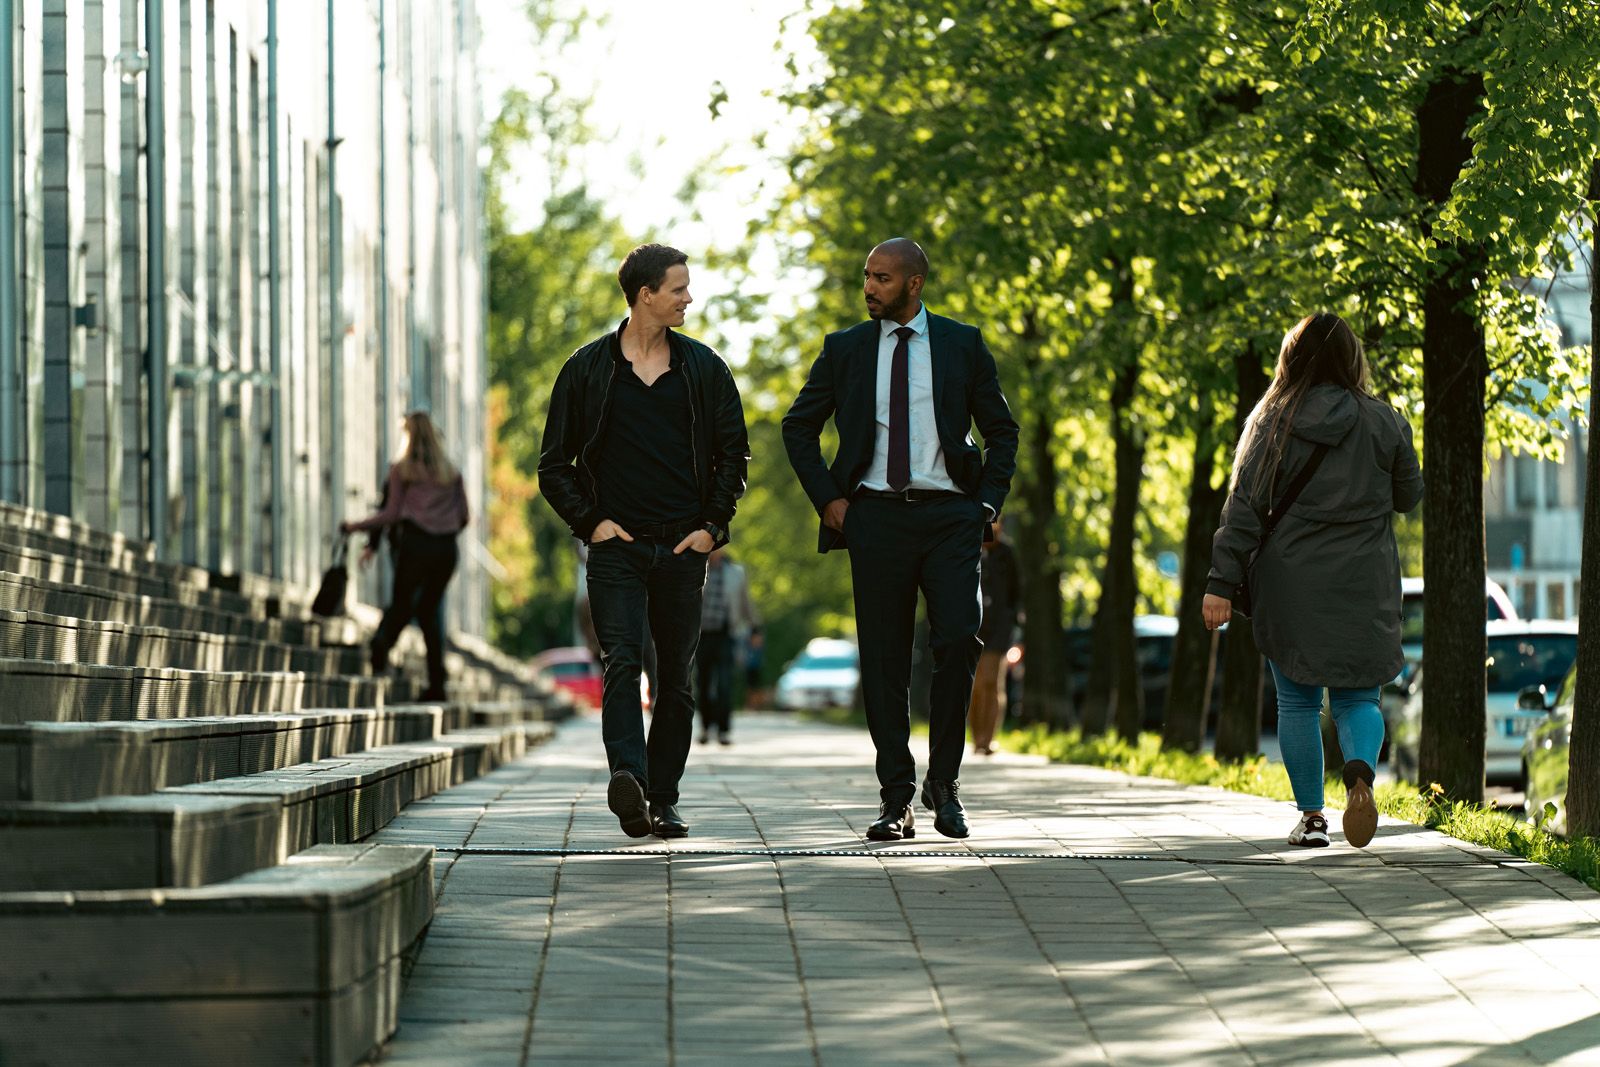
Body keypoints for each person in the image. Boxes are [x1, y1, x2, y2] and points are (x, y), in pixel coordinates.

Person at [782, 238, 1018, 841]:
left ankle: (946, 782)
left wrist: (984, 506)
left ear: (914, 284)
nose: (869, 288)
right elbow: (798, 425)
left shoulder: (962, 344)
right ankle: (895, 797)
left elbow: (1001, 431)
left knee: (961, 641)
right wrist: (831, 502)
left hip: (949, 519)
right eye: (867, 276)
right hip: (875, 519)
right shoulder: (846, 350)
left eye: (881, 278)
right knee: (884, 659)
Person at [538, 243, 750, 840]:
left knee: (677, 679)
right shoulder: (586, 369)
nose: (689, 297)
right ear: (644, 295)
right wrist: (592, 524)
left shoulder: (704, 369)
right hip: (616, 549)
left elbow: (734, 454)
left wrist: (711, 527)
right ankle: (628, 778)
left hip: (683, 549)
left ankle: (664, 798)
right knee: (622, 663)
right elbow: (553, 465)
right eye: (679, 288)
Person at [1203, 312, 1423, 850]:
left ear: (1292, 358)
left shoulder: (1272, 421)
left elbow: (1246, 510)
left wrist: (1219, 582)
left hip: (1291, 585)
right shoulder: (1386, 421)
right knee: (1358, 699)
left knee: (1298, 703)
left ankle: (1312, 819)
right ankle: (1360, 779)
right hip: (1365, 584)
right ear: (1352, 360)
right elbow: (1409, 496)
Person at [341, 410, 471, 701]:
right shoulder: (451, 472)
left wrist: (354, 527)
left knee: (402, 604)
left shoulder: (402, 470)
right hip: (446, 551)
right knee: (429, 611)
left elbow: (390, 512)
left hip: (415, 546)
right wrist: (442, 524)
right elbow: (465, 516)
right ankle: (437, 683)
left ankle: (381, 645)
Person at [697, 549, 760, 745]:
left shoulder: (736, 572)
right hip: (700, 636)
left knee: (725, 683)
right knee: (703, 683)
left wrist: (755, 628)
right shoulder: (695, 567)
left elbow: (745, 602)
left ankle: (723, 730)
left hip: (726, 635)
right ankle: (706, 728)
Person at [969, 524, 1020, 755]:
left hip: (999, 629)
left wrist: (1015, 627)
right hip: (972, 625)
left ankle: (988, 739)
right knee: (975, 685)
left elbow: (1017, 593)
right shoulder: (969, 547)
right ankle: (976, 737)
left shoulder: (1006, 554)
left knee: (991, 682)